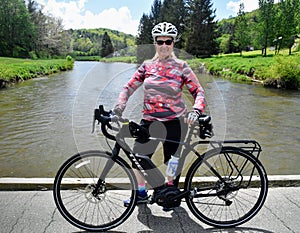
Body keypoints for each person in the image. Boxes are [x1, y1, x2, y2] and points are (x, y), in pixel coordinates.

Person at [113, 22, 206, 209]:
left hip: (175, 123)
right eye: (160, 41)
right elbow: (128, 87)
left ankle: (169, 194)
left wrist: (196, 110)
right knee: (138, 158)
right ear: (155, 42)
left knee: (172, 162)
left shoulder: (182, 66)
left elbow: (199, 92)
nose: (164, 45)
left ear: (173, 43)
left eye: (168, 41)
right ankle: (140, 193)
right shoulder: (147, 66)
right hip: (149, 121)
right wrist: (119, 106)